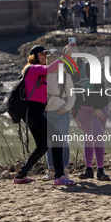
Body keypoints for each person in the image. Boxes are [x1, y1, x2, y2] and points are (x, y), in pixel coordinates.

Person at [14, 45, 75, 186]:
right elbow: (49, 69)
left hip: (32, 113)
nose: (45, 56)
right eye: (42, 54)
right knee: (57, 138)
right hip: (34, 112)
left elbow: (56, 73)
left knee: (42, 146)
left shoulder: (39, 73)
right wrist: (65, 56)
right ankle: (60, 176)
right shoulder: (32, 68)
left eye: (46, 54)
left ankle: (20, 175)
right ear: (34, 56)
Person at [64, 45, 110, 181]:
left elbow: (100, 86)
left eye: (72, 55)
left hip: (98, 106)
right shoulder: (68, 73)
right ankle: (88, 169)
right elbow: (71, 95)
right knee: (88, 137)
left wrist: (97, 107)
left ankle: (100, 170)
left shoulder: (89, 65)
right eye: (67, 56)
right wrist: (74, 116)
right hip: (82, 108)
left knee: (97, 135)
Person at [41, 49, 76, 181]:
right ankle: (51, 170)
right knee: (49, 143)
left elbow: (72, 96)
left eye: (57, 57)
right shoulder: (43, 75)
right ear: (48, 60)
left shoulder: (65, 76)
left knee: (62, 143)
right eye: (51, 57)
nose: (54, 60)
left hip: (61, 114)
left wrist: (66, 108)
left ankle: (64, 170)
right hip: (45, 113)